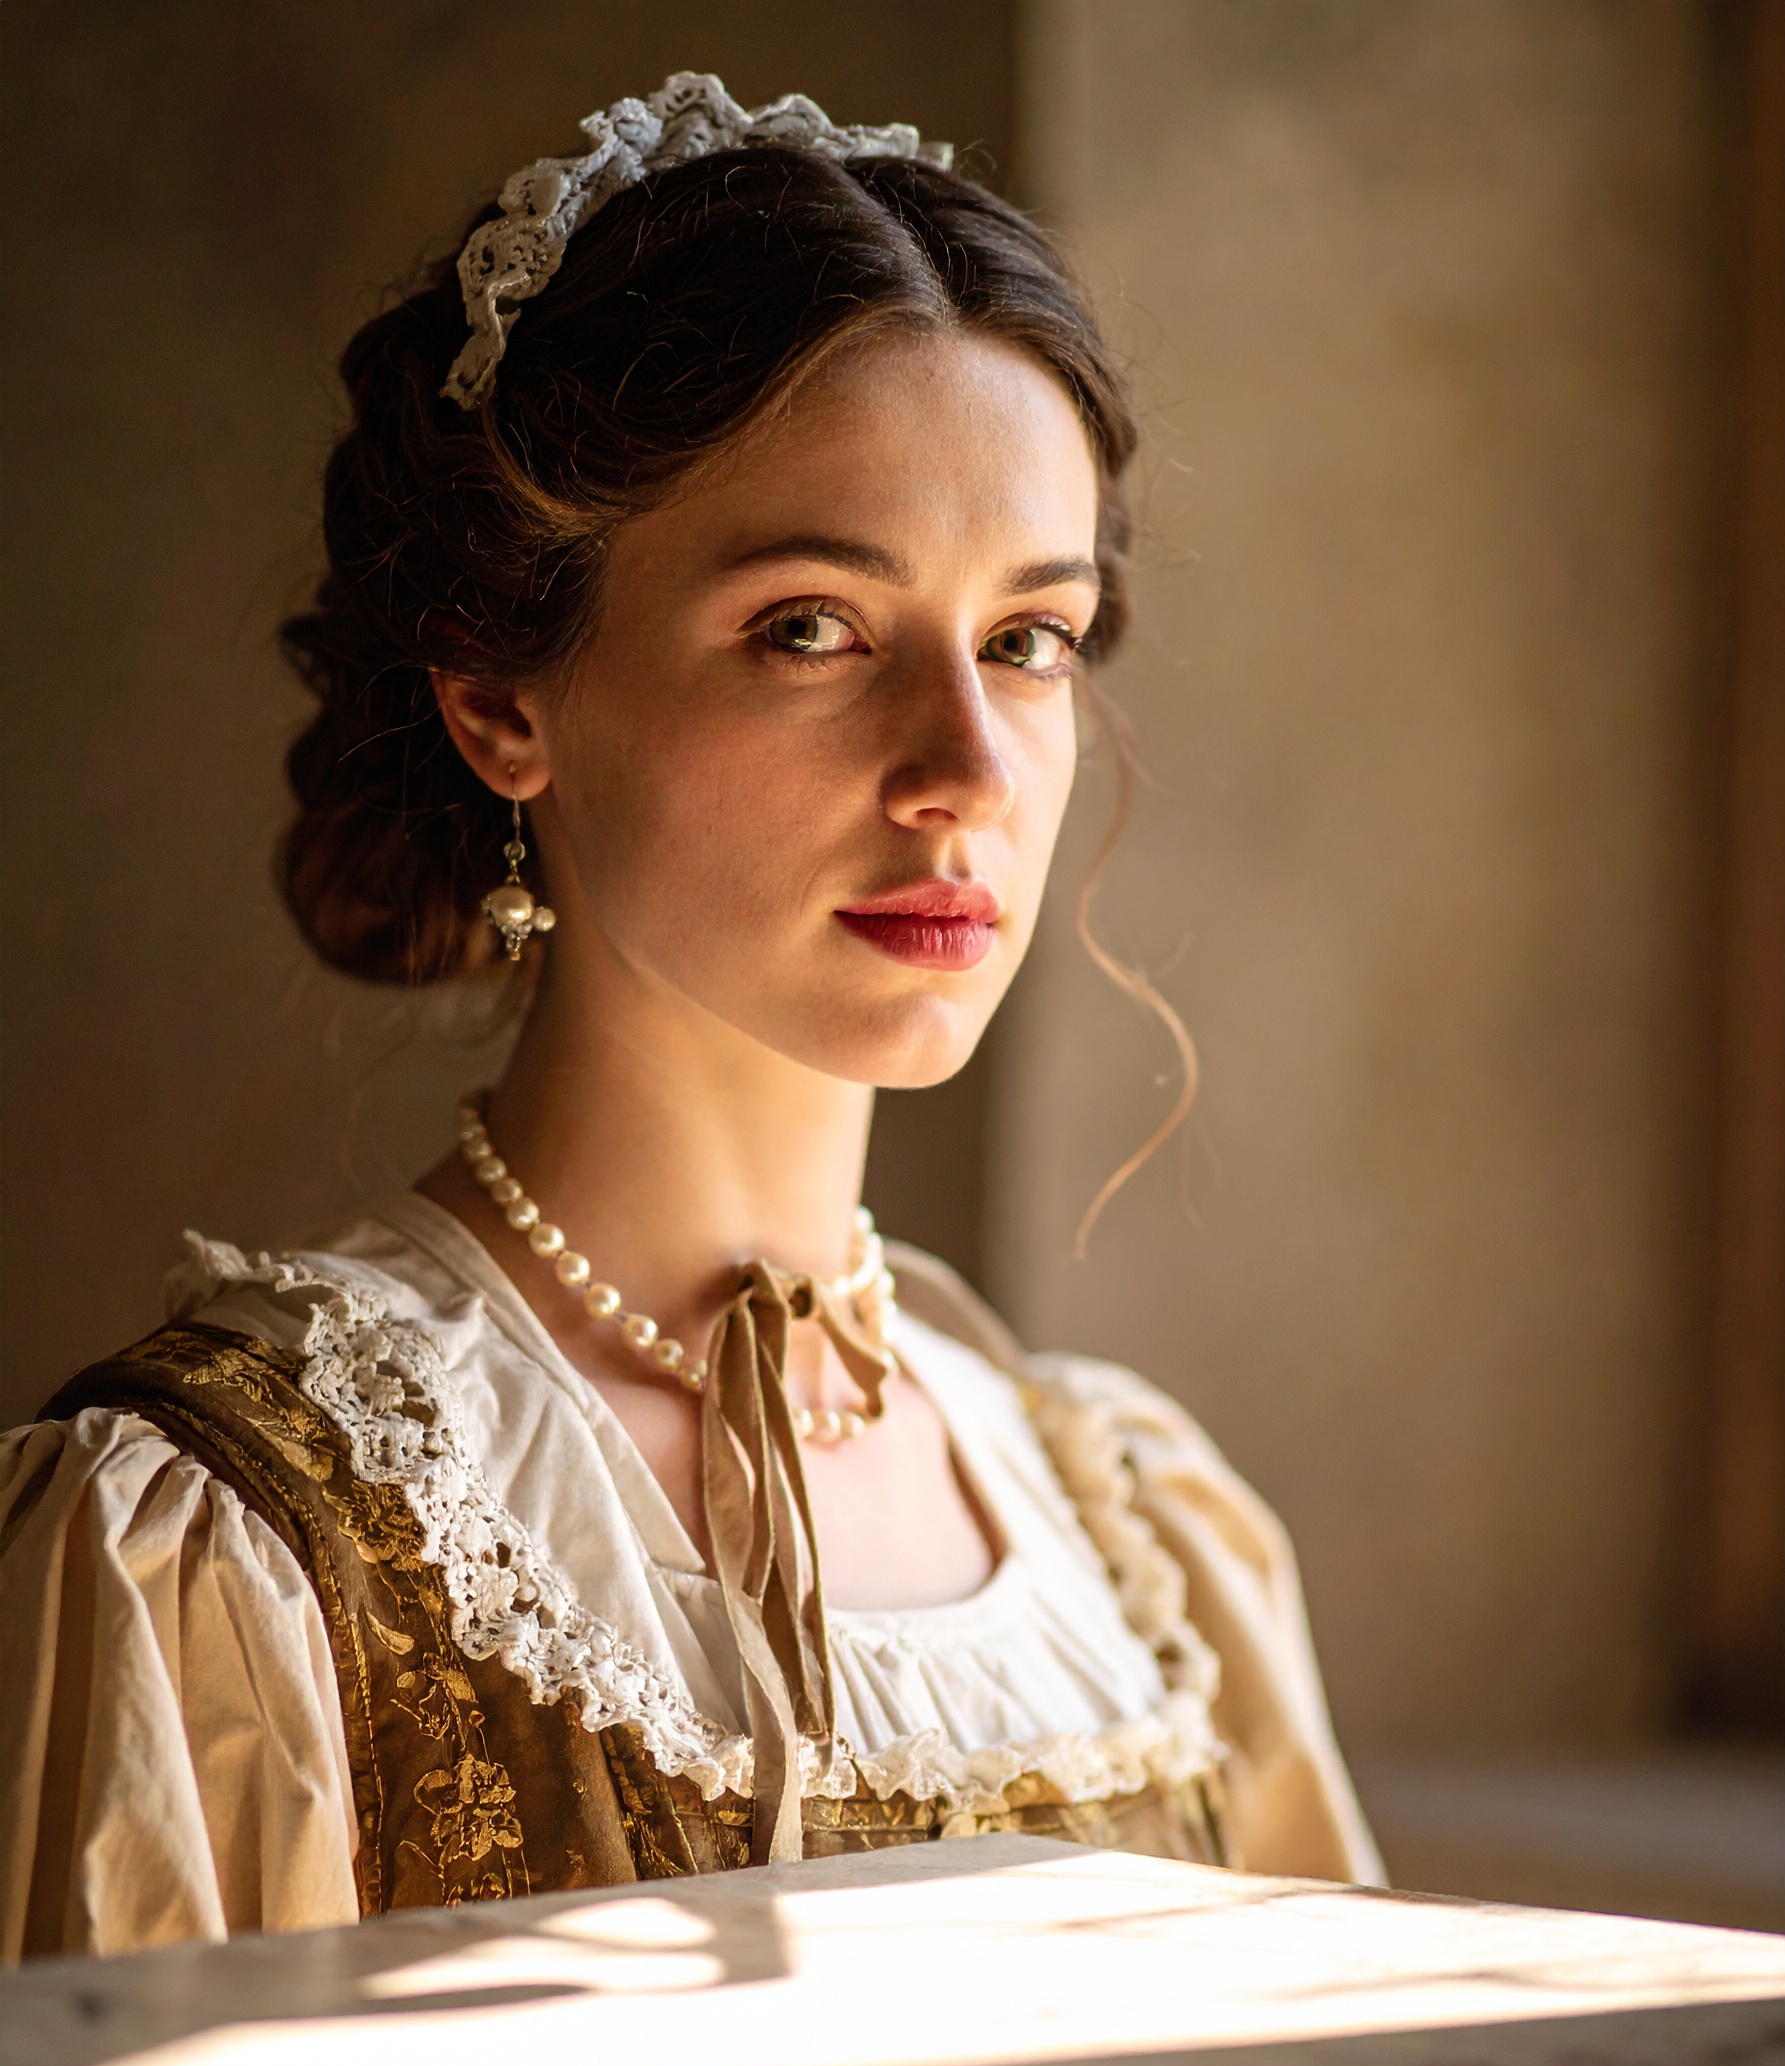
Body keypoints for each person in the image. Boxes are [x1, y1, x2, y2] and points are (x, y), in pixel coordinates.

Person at [0, 75, 1380, 1961]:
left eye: (1027, 640)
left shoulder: (1144, 1544)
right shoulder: (229, 1551)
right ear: (502, 700)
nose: (963, 771)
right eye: (810, 624)